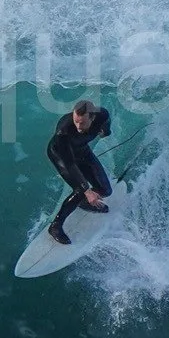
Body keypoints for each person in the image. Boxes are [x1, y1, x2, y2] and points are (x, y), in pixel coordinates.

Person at [44, 97, 114, 244]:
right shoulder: (63, 131)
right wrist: (87, 191)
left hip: (82, 151)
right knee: (80, 189)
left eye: (82, 122)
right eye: (76, 121)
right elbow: (69, 164)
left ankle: (82, 203)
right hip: (61, 156)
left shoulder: (102, 115)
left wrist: (105, 132)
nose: (78, 126)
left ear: (92, 117)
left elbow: (106, 127)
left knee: (106, 190)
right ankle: (55, 226)